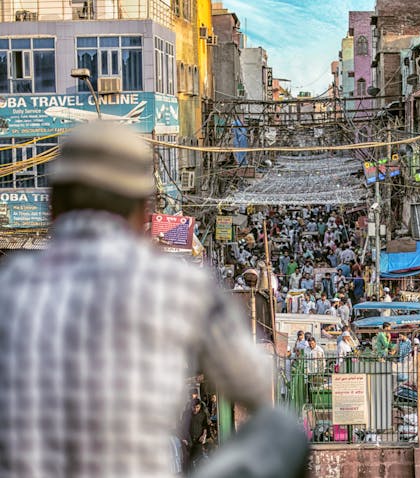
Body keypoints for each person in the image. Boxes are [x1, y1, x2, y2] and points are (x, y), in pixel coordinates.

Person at [0, 123, 273, 478]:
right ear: (144, 213)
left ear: (53, 209)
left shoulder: (11, 288)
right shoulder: (178, 287)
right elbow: (256, 387)